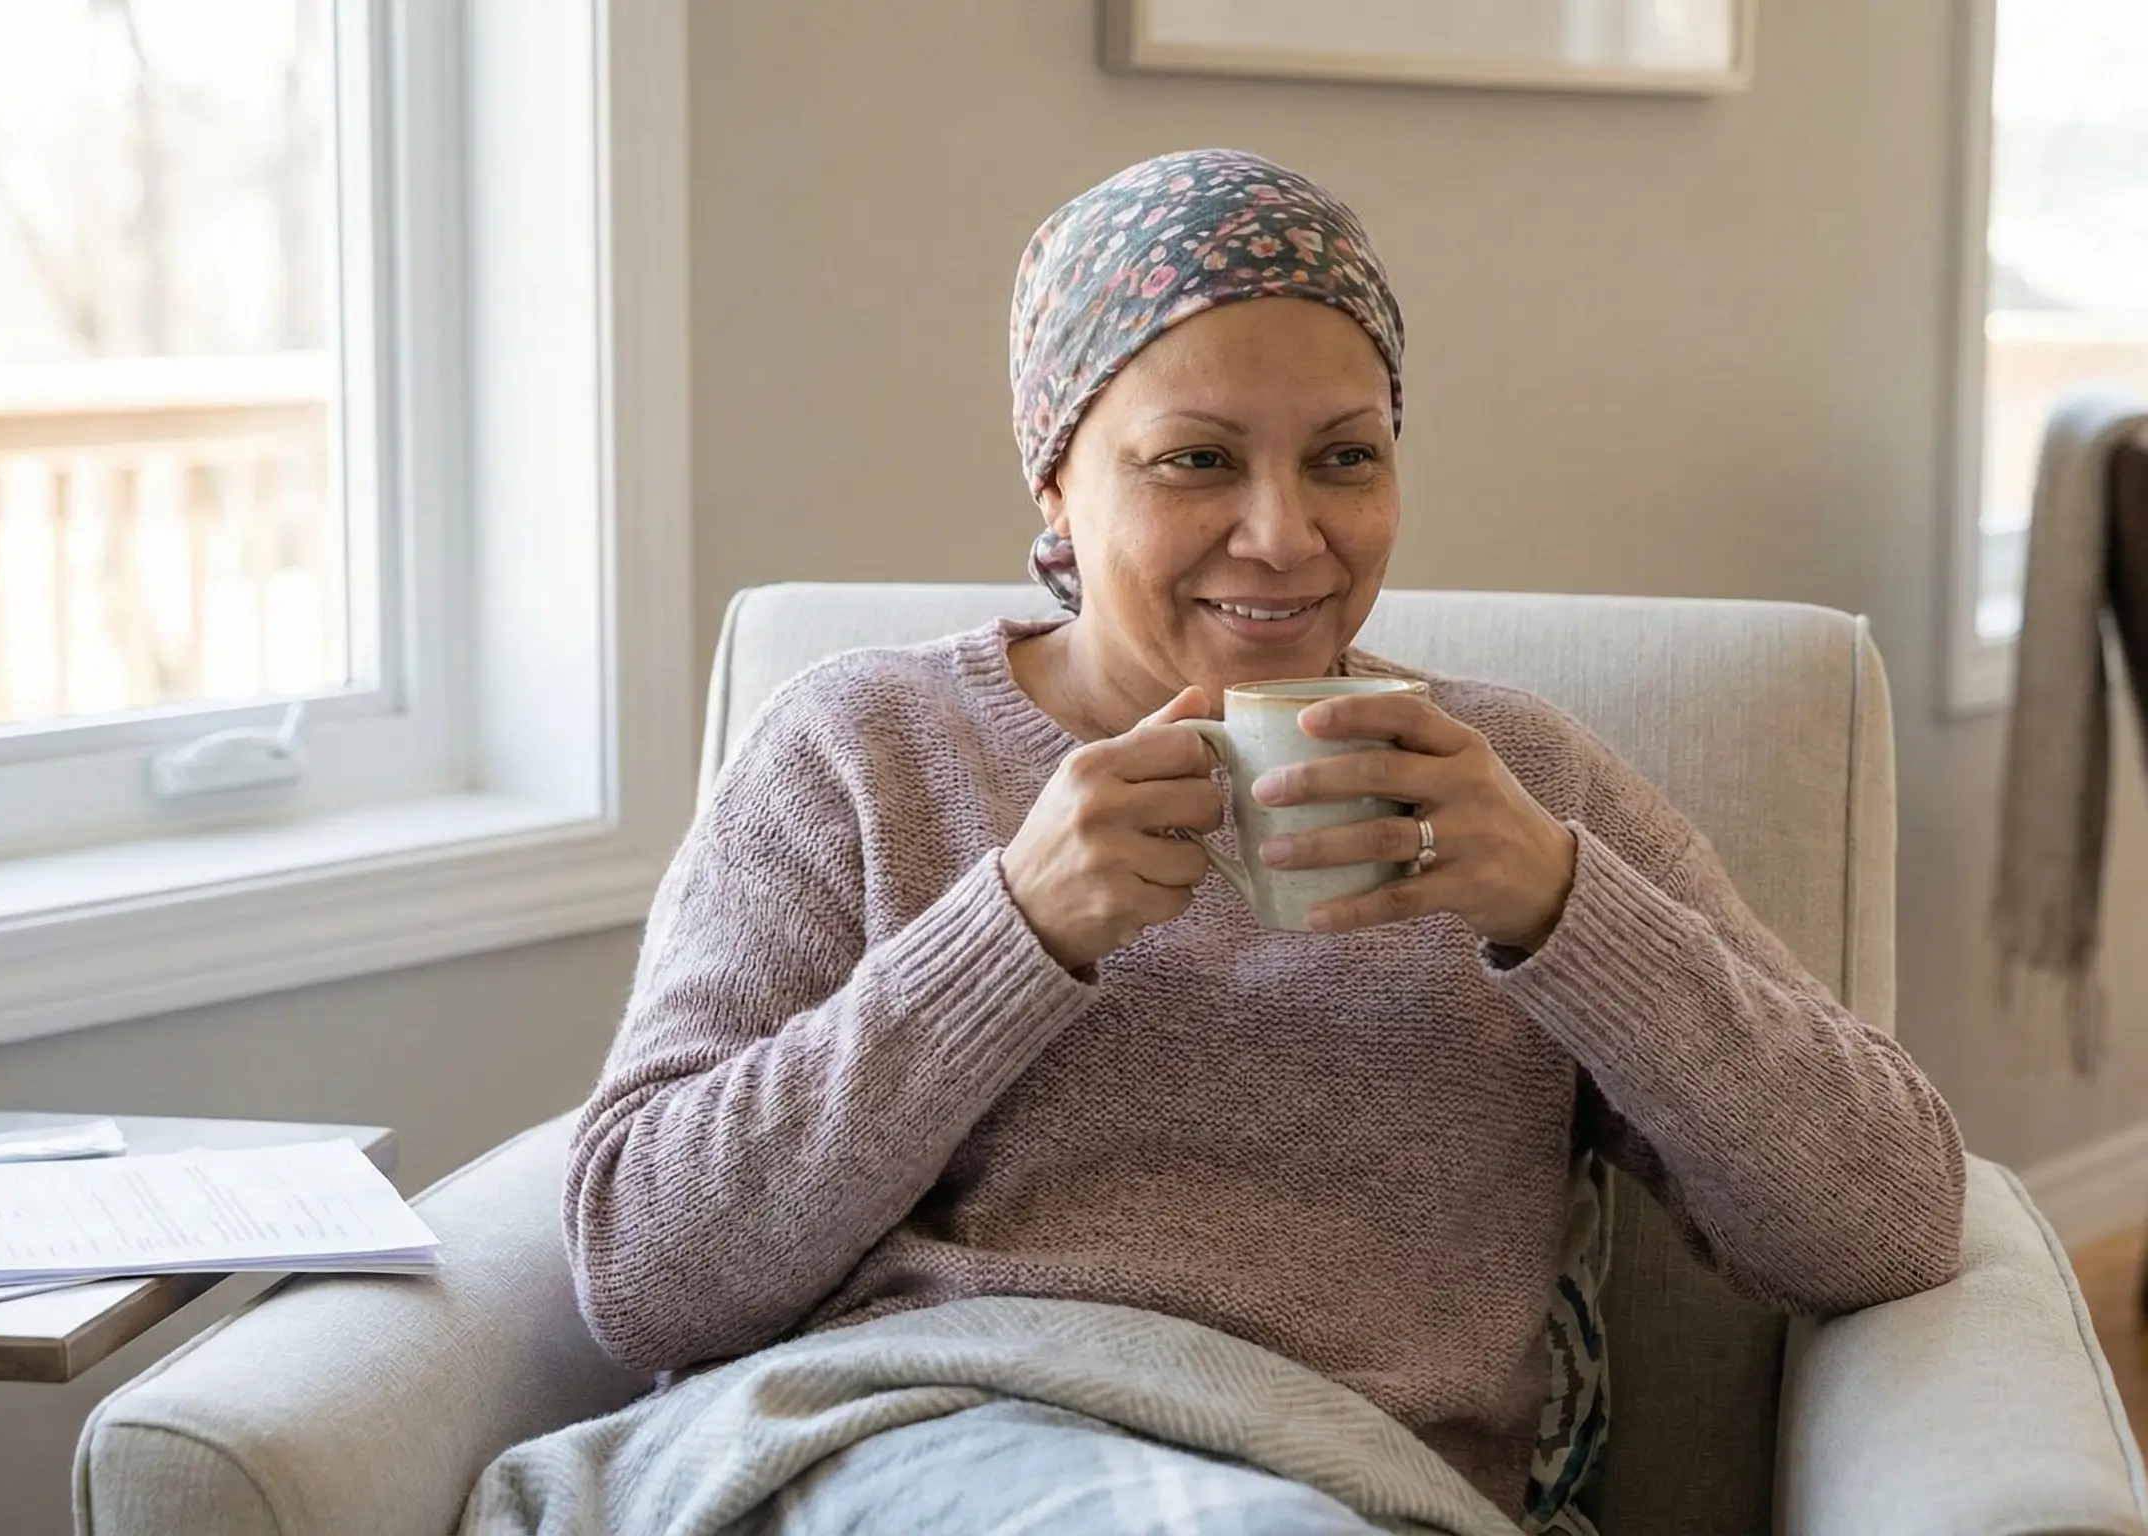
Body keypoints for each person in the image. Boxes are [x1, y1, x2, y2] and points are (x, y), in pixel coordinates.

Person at [552, 148, 1964, 1531]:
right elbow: (645, 1272)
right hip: (923, 1443)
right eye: (1194, 461)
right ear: (1055, 484)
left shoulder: (1516, 784)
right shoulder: (862, 751)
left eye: (1344, 456)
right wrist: (1011, 935)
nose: (1285, 537)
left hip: (1349, 1486)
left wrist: (1558, 908)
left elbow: (1882, 1221)